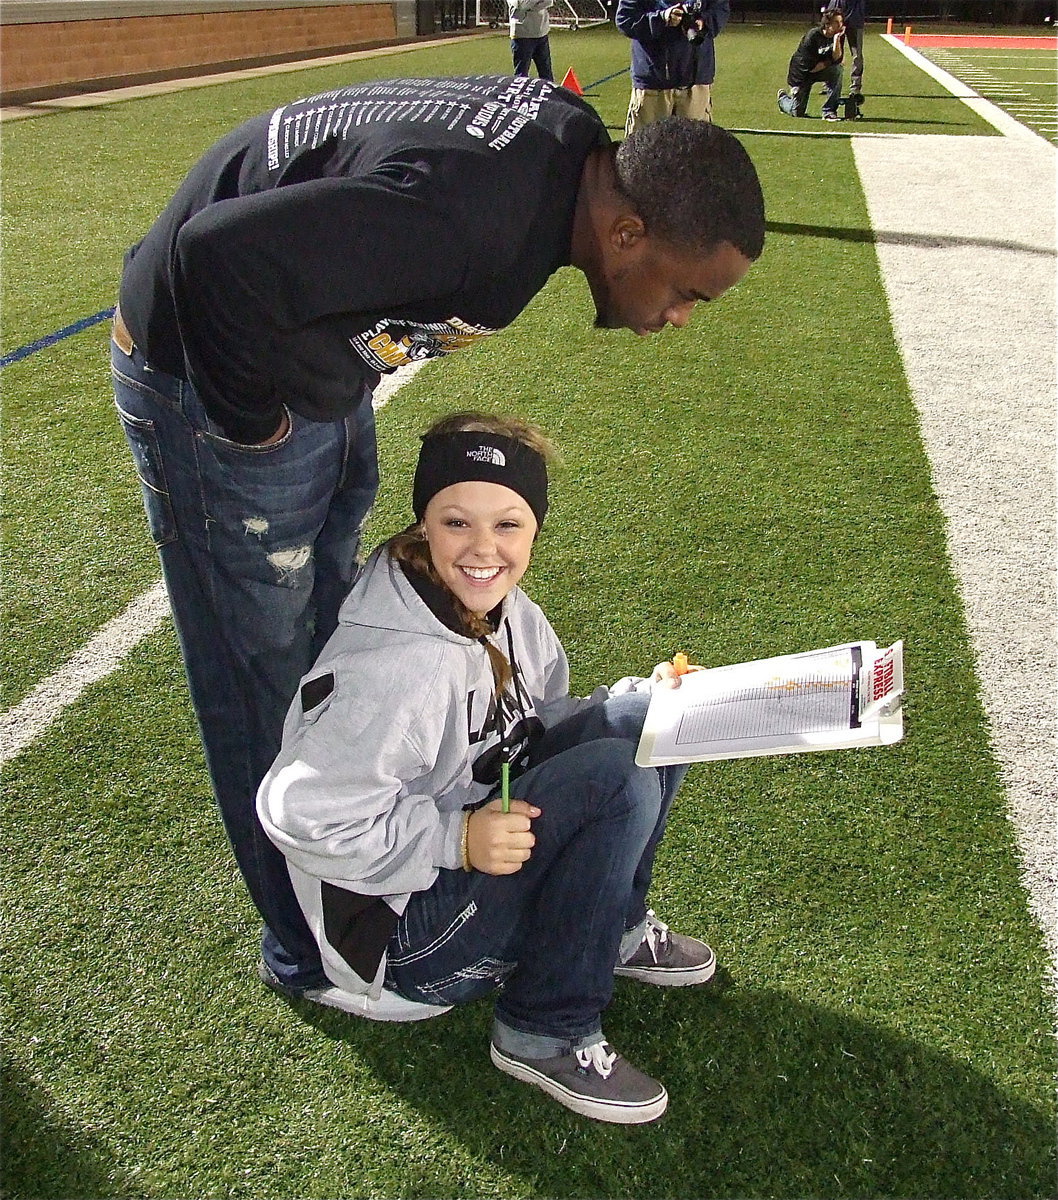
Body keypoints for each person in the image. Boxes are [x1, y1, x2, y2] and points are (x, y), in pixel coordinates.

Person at [111, 75, 764, 1001]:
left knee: (334, 657)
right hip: (216, 373)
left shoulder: (564, 154)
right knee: (263, 678)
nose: (681, 317)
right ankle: (306, 952)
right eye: (689, 290)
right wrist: (253, 431)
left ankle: (375, 851)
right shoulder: (478, 225)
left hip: (307, 367)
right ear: (627, 234)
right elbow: (214, 258)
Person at [256, 411, 714, 1124]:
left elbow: (528, 729)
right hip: (400, 941)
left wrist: (636, 700)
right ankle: (544, 1028)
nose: (482, 549)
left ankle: (616, 926)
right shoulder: (402, 665)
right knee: (612, 781)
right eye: (456, 523)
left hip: (464, 859)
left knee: (657, 722)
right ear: (424, 525)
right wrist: (454, 838)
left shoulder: (504, 609)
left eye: (508, 526)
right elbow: (297, 810)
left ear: (535, 531)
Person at [616, 0, 730, 135]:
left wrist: (703, 22)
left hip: (695, 83)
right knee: (644, 150)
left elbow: (720, 9)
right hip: (653, 85)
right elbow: (625, 19)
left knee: (695, 151)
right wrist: (661, 18)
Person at [777, 8, 845, 121]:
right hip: (802, 74)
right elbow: (812, 68)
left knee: (837, 70)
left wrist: (837, 39)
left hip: (820, 68)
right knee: (797, 111)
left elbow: (837, 59)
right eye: (837, 22)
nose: (840, 25)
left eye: (841, 22)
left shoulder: (838, 35)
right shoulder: (812, 36)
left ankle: (829, 111)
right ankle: (782, 99)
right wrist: (831, 61)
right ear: (827, 24)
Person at [830, 0, 865, 111]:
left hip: (855, 19)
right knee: (835, 52)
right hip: (839, 16)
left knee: (857, 55)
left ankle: (855, 87)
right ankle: (831, 84)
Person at [508, 0, 554, 80]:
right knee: (521, 76)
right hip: (522, 35)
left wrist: (531, 7)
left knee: (547, 75)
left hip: (541, 33)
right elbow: (522, 5)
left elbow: (549, 2)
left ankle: (548, 93)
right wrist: (538, 4)